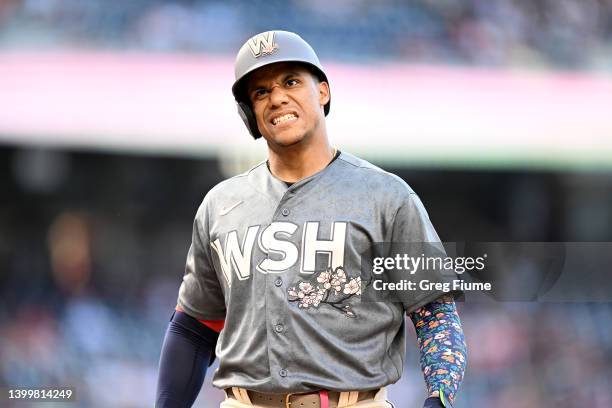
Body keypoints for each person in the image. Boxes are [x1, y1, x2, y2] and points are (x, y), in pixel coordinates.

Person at [156, 30, 467, 408]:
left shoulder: (387, 197)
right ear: (250, 114)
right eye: (260, 92)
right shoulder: (220, 205)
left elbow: (434, 311)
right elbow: (194, 327)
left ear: (323, 91)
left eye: (291, 81)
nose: (277, 98)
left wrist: (439, 399)